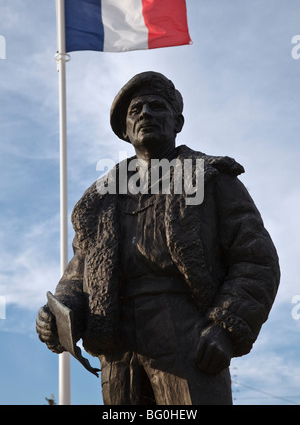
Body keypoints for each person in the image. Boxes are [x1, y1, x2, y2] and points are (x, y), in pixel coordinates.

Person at [36, 71, 280, 405]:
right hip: (118, 349)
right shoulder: (100, 201)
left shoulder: (212, 179)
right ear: (125, 130)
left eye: (157, 107)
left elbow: (256, 260)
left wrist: (225, 325)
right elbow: (79, 275)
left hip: (188, 335)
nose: (146, 114)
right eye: (136, 110)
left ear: (177, 122)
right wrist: (60, 313)